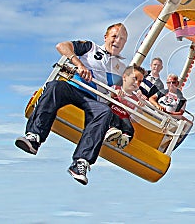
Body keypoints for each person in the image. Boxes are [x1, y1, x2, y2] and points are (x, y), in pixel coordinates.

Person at [15, 23, 128, 185]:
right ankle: (34, 137)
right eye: (114, 36)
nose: (117, 41)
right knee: (55, 87)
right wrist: (79, 64)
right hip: (74, 89)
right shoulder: (90, 47)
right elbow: (62, 46)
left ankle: (81, 162)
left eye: (122, 39)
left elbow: (132, 85)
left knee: (104, 112)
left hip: (93, 100)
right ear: (106, 37)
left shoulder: (122, 68)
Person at [104, 65, 146, 149]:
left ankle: (125, 138)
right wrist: (113, 94)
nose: (137, 83)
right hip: (112, 113)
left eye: (140, 81)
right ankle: (112, 130)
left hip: (124, 117)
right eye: (134, 78)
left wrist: (140, 107)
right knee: (113, 117)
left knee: (129, 126)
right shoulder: (115, 88)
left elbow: (135, 119)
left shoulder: (135, 99)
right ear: (125, 77)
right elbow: (103, 100)